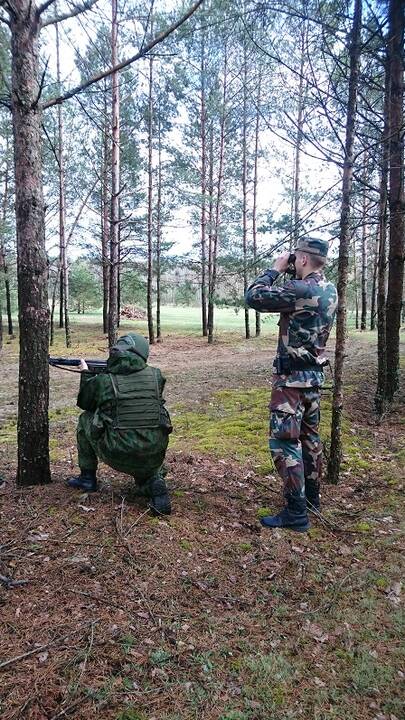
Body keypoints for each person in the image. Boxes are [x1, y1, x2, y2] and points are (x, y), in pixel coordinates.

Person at [245, 237, 338, 532]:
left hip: (291, 383)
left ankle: (296, 513)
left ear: (303, 259)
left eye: (296, 257)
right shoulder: (329, 289)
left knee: (284, 442)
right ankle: (311, 499)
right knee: (310, 441)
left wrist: (274, 269)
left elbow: (254, 296)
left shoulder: (298, 289)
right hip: (313, 379)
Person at [68, 333, 172, 515]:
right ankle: (152, 483)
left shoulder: (104, 380)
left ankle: (87, 477)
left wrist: (86, 374)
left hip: (118, 451)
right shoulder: (156, 376)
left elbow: (86, 403)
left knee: (85, 418)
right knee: (147, 468)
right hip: (154, 452)